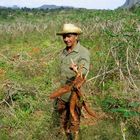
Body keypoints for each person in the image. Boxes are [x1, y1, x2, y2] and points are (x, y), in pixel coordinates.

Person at [55, 23, 90, 140]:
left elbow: (84, 69)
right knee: (62, 118)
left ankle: (75, 137)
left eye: (69, 36)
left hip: (75, 93)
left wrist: (77, 70)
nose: (66, 39)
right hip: (62, 93)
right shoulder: (63, 52)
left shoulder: (83, 52)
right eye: (64, 37)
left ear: (76, 37)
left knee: (74, 119)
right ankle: (64, 135)